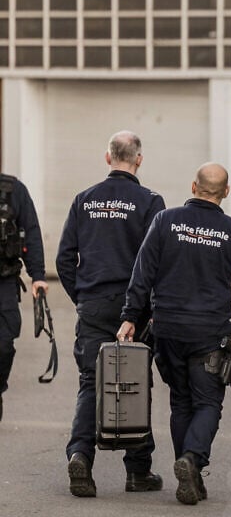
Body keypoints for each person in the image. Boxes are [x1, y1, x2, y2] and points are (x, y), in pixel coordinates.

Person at [117, 162, 231, 506]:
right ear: (226, 192)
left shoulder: (165, 222)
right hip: (209, 333)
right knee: (207, 402)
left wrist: (131, 316)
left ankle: (187, 469)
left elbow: (142, 271)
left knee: (181, 401)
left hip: (168, 330)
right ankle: (191, 460)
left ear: (194, 186)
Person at [56, 131, 166, 497]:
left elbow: (64, 260)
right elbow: (156, 264)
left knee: (91, 381)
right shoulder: (150, 202)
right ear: (139, 160)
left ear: (107, 158)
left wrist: (83, 298)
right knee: (135, 383)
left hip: (94, 302)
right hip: (133, 308)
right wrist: (144, 309)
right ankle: (137, 472)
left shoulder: (83, 200)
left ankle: (81, 458)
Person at [0, 173, 47, 424]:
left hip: (4, 281)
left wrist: (38, 275)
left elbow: (31, 231)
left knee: (4, 344)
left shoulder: (13, 190)